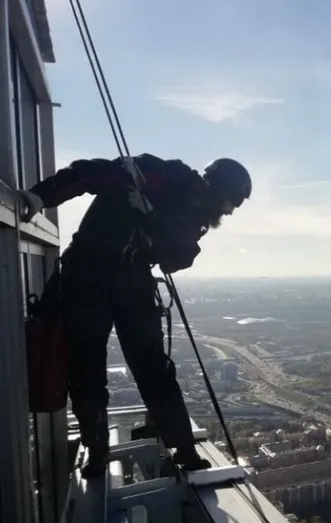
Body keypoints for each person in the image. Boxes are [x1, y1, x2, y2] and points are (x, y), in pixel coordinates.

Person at [19, 154, 252, 478]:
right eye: (231, 203)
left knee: (154, 367)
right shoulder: (160, 175)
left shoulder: (196, 215)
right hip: (89, 274)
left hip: (130, 279)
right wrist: (41, 196)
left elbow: (177, 257)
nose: (228, 212)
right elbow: (91, 173)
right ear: (216, 188)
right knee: (86, 368)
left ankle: (184, 448)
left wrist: (151, 216)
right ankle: (97, 452)